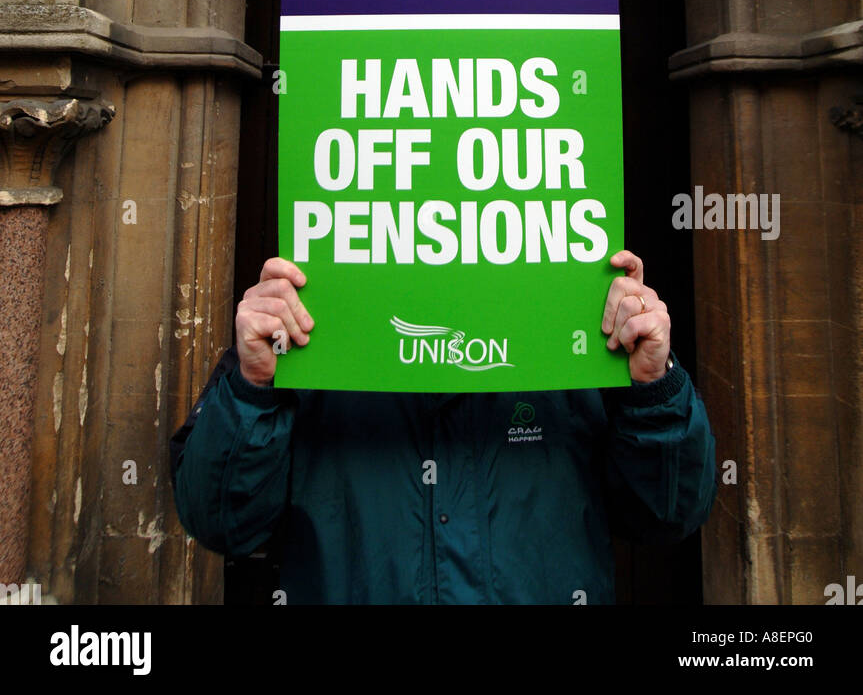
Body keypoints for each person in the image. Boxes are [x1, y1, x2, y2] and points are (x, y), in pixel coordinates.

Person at [170, 248, 716, 605]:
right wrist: (252, 384)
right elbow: (220, 522)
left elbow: (669, 514)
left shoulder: (577, 327)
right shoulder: (305, 336)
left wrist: (652, 387)